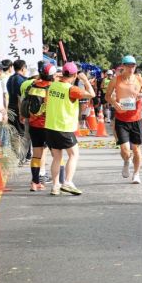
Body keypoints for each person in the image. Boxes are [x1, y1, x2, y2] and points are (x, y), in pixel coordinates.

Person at [44, 62, 95, 195]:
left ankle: (55, 186)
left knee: (56, 157)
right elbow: (92, 94)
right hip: (64, 127)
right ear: (74, 75)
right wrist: (85, 80)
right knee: (73, 154)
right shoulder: (72, 89)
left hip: (50, 126)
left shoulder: (53, 85)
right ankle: (67, 182)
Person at [106, 55, 142, 183]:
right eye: (128, 65)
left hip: (136, 119)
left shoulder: (140, 80)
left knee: (137, 149)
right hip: (121, 119)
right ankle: (126, 160)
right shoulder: (116, 80)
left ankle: (136, 174)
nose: (131, 68)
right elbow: (107, 96)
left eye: (133, 65)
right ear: (123, 66)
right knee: (125, 150)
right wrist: (114, 103)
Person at [21, 64, 55, 191]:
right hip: (49, 125)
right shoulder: (52, 87)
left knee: (36, 154)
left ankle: (34, 183)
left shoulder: (32, 85)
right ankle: (59, 183)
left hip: (34, 125)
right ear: (51, 75)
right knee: (56, 155)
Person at [6, 59, 29, 160]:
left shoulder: (10, 79)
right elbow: (20, 97)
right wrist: (21, 113)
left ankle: (16, 156)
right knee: (22, 133)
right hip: (19, 109)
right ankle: (22, 156)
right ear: (23, 68)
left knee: (14, 133)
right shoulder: (22, 80)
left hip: (10, 109)